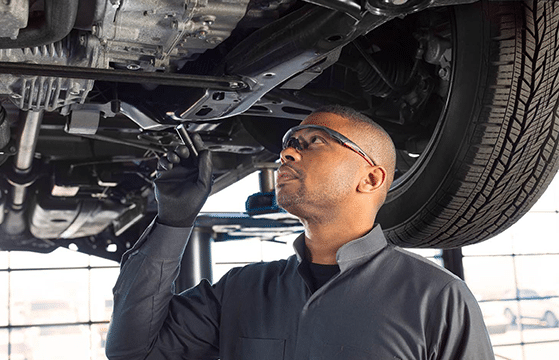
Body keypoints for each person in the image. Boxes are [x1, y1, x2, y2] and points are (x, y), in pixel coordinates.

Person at [105, 105, 495, 360]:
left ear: (371, 177)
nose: (287, 154)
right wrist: (173, 219)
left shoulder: (438, 298)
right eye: (289, 145)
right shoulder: (241, 289)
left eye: (314, 143)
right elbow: (132, 351)